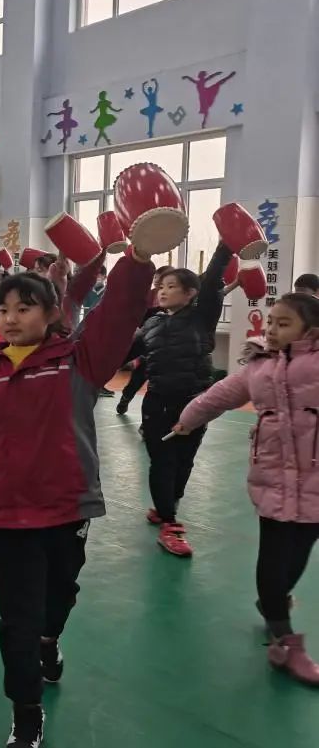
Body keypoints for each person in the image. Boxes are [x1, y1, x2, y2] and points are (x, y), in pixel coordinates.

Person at [0, 249, 155, 748]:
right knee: (16, 620)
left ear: (50, 313)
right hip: (8, 514)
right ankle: (26, 711)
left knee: (59, 594)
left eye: (24, 308)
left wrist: (138, 258)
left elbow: (118, 314)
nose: (10, 318)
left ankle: (50, 639)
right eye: (3, 309)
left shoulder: (78, 362)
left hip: (67, 508)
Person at [174, 293, 319, 685]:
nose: (271, 330)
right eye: (271, 321)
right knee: (274, 557)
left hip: (315, 483)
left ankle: (272, 603)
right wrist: (189, 418)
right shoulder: (259, 367)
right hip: (273, 479)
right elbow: (220, 394)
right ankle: (284, 641)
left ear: (311, 331)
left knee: (299, 553)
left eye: (283, 324)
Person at [139, 243, 232, 557]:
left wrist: (225, 245)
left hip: (194, 404)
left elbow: (214, 279)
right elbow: (118, 352)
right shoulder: (151, 323)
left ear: (191, 293)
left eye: (171, 286)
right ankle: (169, 522)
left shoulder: (202, 317)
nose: (162, 291)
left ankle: (168, 504)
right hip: (156, 403)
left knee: (184, 460)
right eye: (161, 286)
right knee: (162, 461)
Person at [116, 265, 174, 415]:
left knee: (149, 377)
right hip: (143, 340)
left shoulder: (175, 302)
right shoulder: (148, 296)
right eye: (156, 278)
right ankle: (125, 397)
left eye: (162, 280)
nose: (157, 281)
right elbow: (135, 315)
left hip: (162, 348)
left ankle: (148, 416)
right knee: (133, 369)